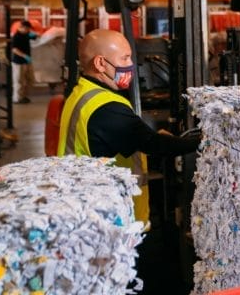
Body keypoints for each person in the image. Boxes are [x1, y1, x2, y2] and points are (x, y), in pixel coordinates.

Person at [57, 28, 200, 227]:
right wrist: (201, 141)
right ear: (100, 63)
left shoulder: (81, 93)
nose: (131, 65)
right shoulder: (107, 106)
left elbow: (124, 136)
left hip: (87, 204)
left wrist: (148, 136)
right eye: (124, 59)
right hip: (110, 215)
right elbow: (155, 145)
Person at [11, 20, 36, 104]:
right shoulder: (16, 36)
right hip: (18, 62)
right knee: (18, 81)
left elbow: (35, 36)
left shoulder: (26, 34)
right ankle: (17, 98)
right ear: (22, 28)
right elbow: (14, 49)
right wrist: (24, 56)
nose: (28, 30)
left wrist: (34, 35)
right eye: (27, 29)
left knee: (26, 80)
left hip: (26, 62)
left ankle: (23, 96)